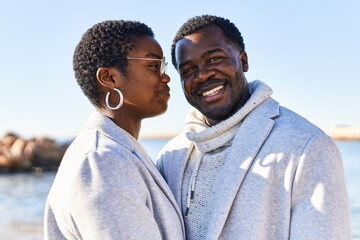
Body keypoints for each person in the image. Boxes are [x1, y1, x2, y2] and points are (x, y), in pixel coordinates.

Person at [157, 15, 351, 239]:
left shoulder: (307, 146)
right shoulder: (170, 157)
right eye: (188, 70)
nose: (202, 75)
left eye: (214, 59)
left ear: (244, 60)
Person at [44, 20, 185, 240]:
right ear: (109, 78)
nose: (165, 77)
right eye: (153, 66)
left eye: (163, 66)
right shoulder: (101, 161)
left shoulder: (117, 151)